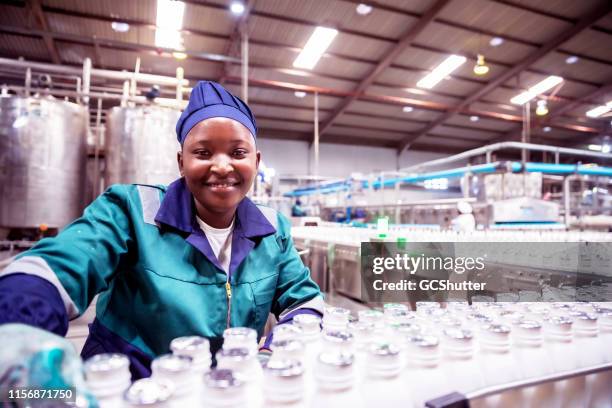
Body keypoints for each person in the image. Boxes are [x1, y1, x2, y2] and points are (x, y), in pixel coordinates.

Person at [0, 81, 323, 379]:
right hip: (131, 384)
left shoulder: (272, 228)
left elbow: (304, 301)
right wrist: (19, 334)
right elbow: (57, 268)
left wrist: (275, 351)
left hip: (224, 388)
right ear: (181, 162)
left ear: (256, 160)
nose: (222, 166)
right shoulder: (130, 210)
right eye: (203, 153)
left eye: (238, 153)